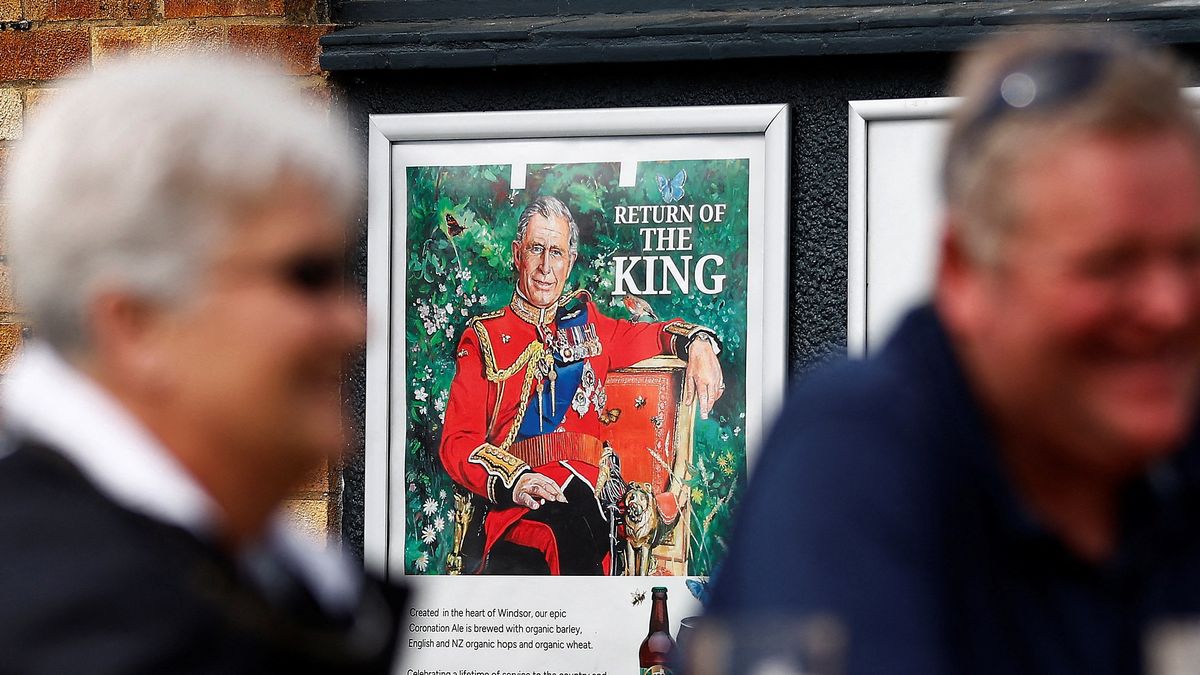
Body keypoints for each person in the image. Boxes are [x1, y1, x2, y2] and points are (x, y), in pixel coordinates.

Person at [706, 30, 1200, 675]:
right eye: (1110, 265)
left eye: (1191, 257)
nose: (1171, 306)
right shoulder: (859, 449)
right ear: (964, 273)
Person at [0, 54, 404, 673]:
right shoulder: (80, 624)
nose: (356, 324)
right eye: (308, 277)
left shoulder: (236, 583)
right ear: (138, 325)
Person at [440, 195, 724, 575]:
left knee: (585, 523)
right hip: (518, 507)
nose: (545, 267)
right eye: (536, 249)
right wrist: (516, 480)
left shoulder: (588, 324)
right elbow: (457, 442)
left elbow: (652, 336)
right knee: (566, 531)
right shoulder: (484, 338)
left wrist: (698, 342)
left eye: (556, 253)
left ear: (570, 261)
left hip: (589, 500)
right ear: (517, 254)